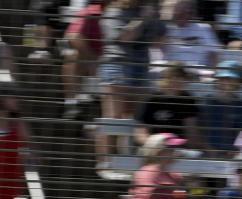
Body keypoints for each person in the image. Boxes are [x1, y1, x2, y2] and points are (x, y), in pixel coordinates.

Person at [95, 0, 166, 172]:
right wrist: (141, 18)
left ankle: (122, 160)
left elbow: (158, 39)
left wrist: (154, 16)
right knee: (113, 116)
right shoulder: (114, 13)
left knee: (131, 117)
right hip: (117, 64)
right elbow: (123, 37)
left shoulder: (151, 11)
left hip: (140, 66)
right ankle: (104, 161)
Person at [134, 63, 204, 150]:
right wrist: (155, 147)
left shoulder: (187, 99)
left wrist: (192, 147)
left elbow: (191, 128)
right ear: (167, 78)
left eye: (183, 78)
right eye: (177, 77)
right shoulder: (151, 100)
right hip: (154, 147)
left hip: (179, 148)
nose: (181, 81)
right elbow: (141, 133)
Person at [198, 61, 242, 157]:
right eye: (224, 78)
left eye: (232, 78)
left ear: (238, 81)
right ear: (218, 80)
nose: (227, 81)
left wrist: (235, 150)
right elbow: (198, 130)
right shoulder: (205, 103)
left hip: (232, 154)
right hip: (206, 152)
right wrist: (207, 148)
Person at [62, 1, 104, 119]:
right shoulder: (89, 12)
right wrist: (92, 61)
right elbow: (71, 38)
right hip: (95, 63)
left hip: (113, 63)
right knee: (72, 54)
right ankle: (73, 103)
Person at [160, 0, 220, 74]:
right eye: (181, 12)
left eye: (189, 12)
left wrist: (215, 71)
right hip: (172, 73)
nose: (186, 16)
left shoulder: (204, 28)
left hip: (199, 73)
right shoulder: (165, 29)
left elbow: (214, 54)